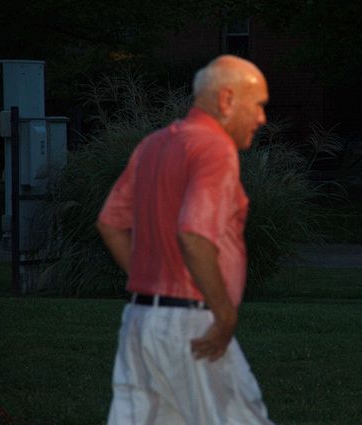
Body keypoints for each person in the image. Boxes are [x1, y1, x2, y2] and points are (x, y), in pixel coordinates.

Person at [96, 55, 274, 425]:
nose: (262, 119)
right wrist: (224, 317)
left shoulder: (153, 145)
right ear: (226, 100)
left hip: (141, 320)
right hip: (193, 326)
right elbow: (194, 234)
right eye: (257, 106)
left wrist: (156, 280)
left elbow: (111, 223)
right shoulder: (214, 147)